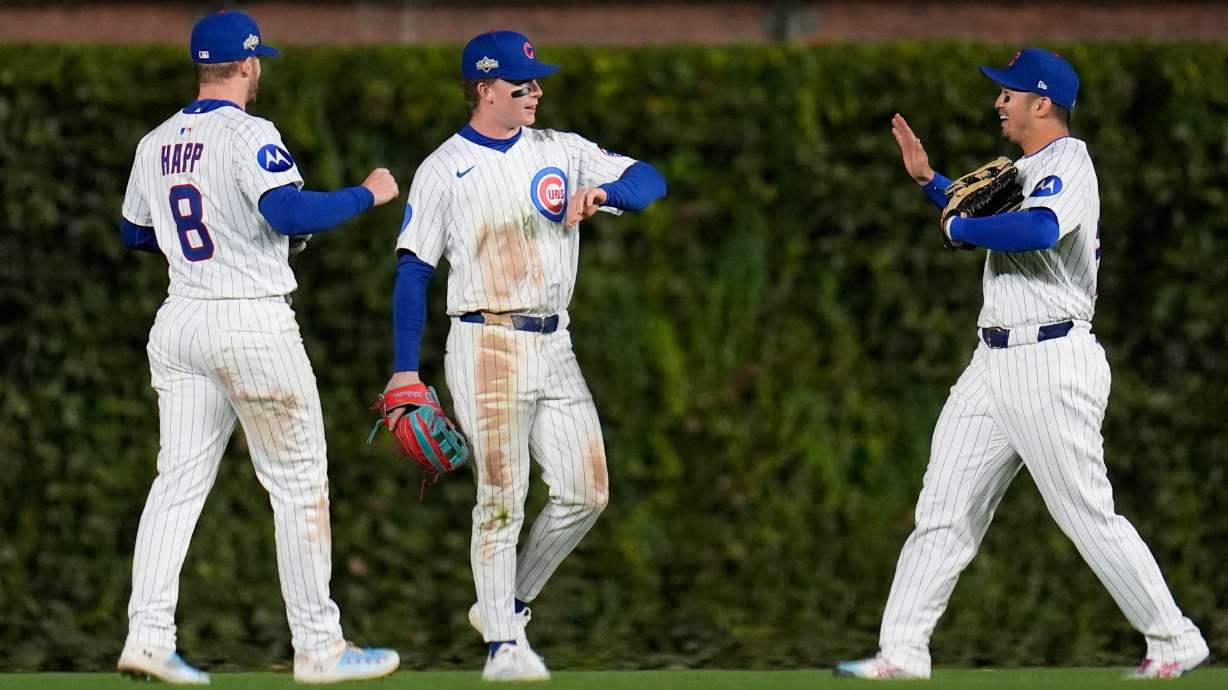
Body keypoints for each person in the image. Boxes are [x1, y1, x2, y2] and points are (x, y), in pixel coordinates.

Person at [835, 48, 1209, 680]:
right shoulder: (1027, 166)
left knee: (1085, 514)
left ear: (1043, 102)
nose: (997, 102)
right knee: (943, 510)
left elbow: (1036, 230)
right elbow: (975, 211)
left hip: (1052, 359)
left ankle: (1175, 638)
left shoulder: (1069, 162)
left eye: (1009, 92)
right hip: (993, 362)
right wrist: (931, 183)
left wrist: (959, 231)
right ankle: (902, 652)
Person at [116, 10, 401, 684]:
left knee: (176, 483)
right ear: (247, 65)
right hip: (250, 324)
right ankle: (319, 649)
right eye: (257, 61)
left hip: (182, 318)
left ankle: (147, 637)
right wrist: (368, 193)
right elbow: (289, 214)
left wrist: (223, 239)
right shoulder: (250, 133)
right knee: (298, 484)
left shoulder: (156, 141)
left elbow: (135, 234)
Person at [383, 30, 666, 681]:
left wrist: (604, 194)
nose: (535, 90)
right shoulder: (443, 167)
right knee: (501, 495)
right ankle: (502, 649)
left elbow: (651, 182)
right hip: (484, 342)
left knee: (585, 493)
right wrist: (405, 366)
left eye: (536, 80)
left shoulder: (562, 150)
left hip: (554, 342)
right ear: (485, 89)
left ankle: (506, 605)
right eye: (521, 83)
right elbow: (412, 272)